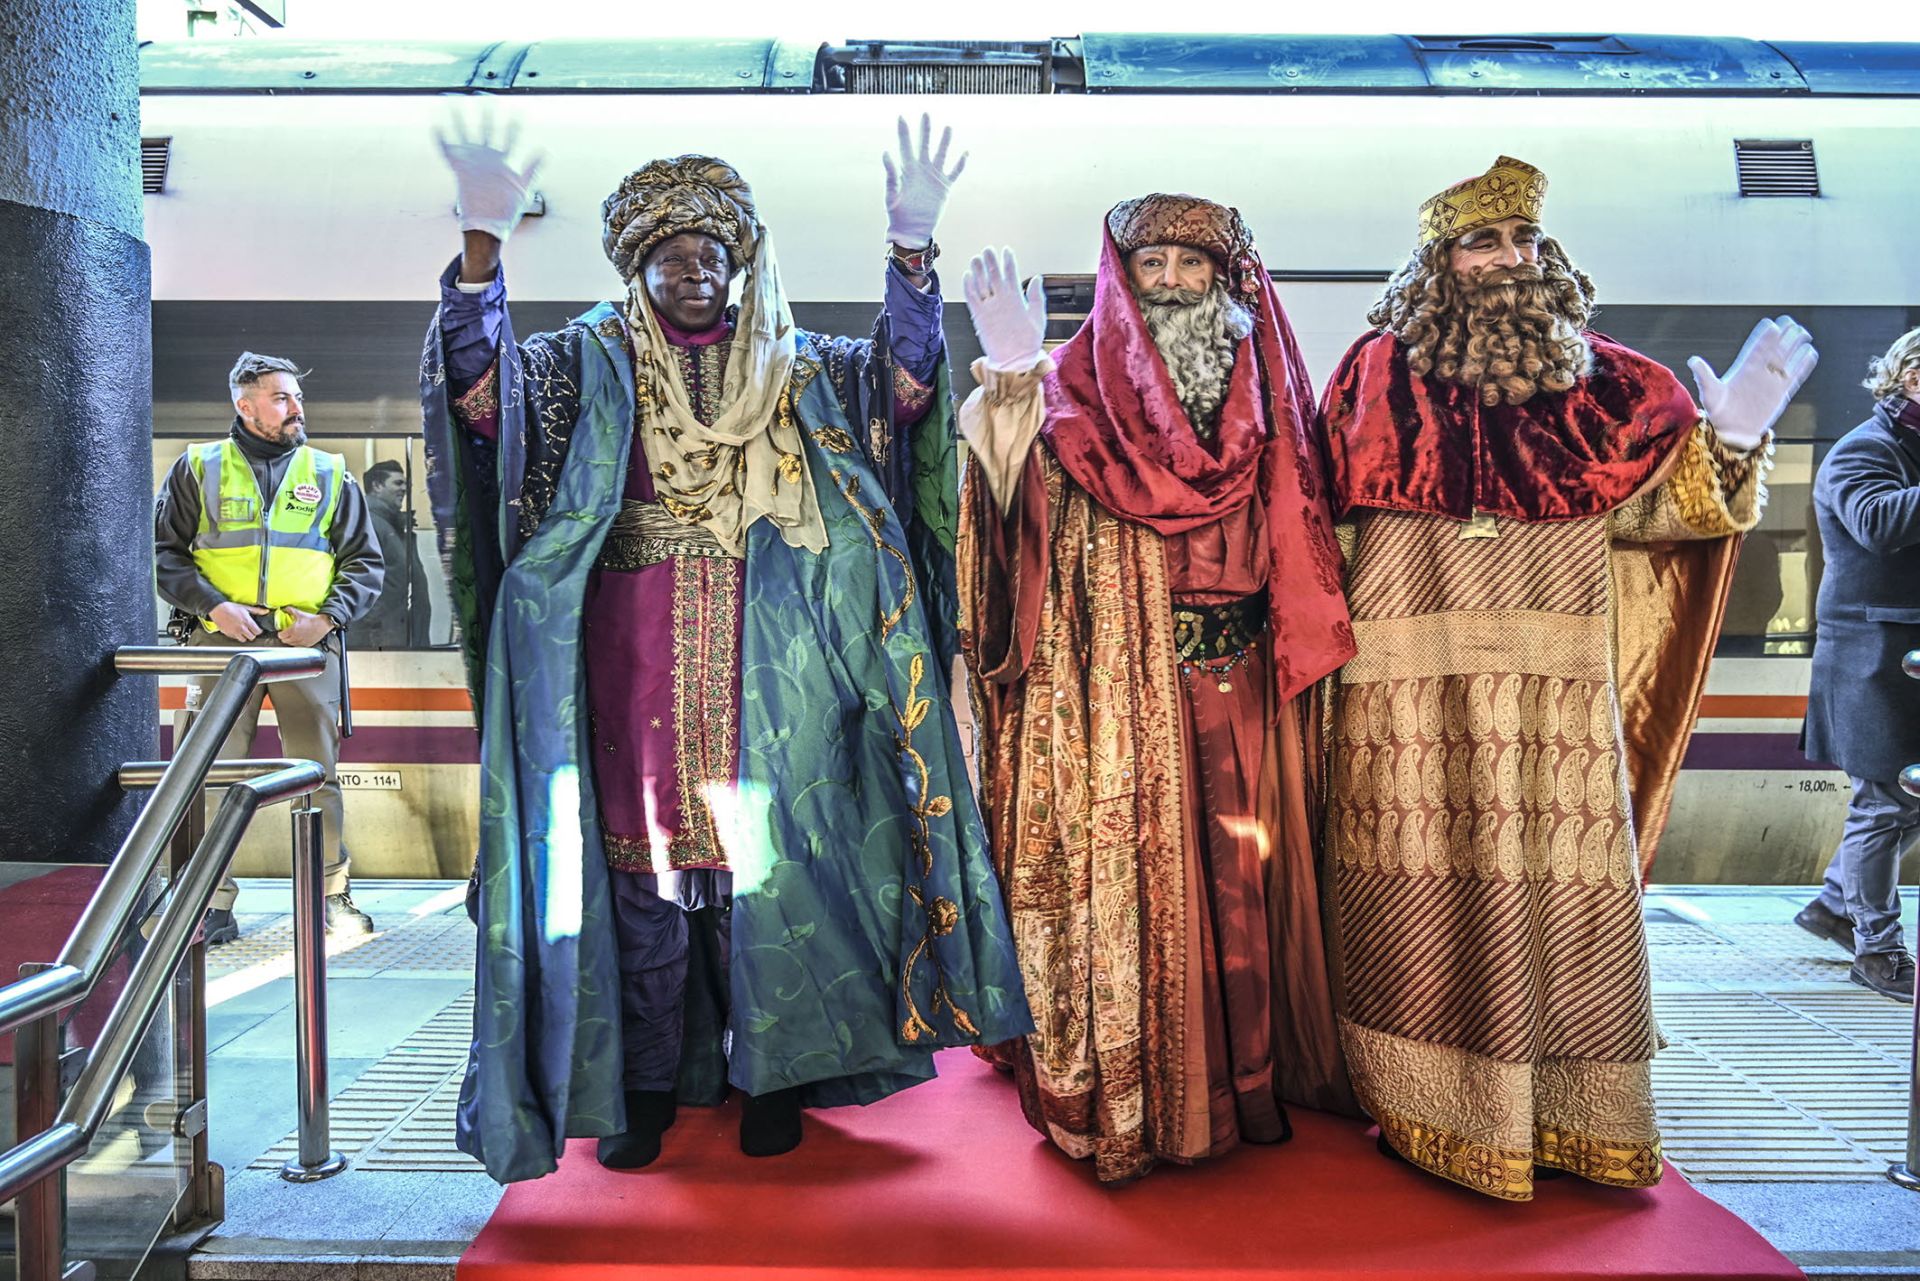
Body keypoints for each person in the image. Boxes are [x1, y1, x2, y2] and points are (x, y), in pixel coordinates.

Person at [422, 111, 1029, 1183]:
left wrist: (913, 256)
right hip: (625, 662)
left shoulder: (800, 368)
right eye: (670, 258)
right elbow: (485, 401)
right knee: (645, 874)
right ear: (638, 270)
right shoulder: (584, 361)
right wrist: (481, 257)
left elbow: (907, 390)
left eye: (712, 256)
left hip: (777, 666)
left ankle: (779, 1075)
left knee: (772, 868)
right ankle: (644, 1086)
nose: (694, 275)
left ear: (741, 266)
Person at [1317, 156, 1816, 1200]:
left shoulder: (1612, 390)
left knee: (1563, 908)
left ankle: (1570, 1117)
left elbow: (1653, 525)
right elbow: (1324, 544)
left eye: (1527, 242)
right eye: (1484, 242)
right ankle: (1426, 1107)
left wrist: (1731, 441)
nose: (1511, 261)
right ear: (1437, 264)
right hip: (1408, 702)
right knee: (1414, 895)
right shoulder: (1373, 375)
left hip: (1557, 705)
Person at [953, 197, 1356, 1183]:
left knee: (1242, 894)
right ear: (1120, 276)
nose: (1172, 279)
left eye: (1192, 263)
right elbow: (1003, 515)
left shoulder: (1263, 393)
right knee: (1129, 898)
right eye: (1154, 261)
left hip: (1243, 688)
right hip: (1111, 701)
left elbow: (1316, 528)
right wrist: (1010, 387)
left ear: (1225, 281)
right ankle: (1139, 1104)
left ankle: (1247, 1085)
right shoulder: (1067, 392)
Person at [155, 351, 385, 942]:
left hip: (305, 647)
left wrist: (327, 618)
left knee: (316, 775)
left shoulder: (330, 471)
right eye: (281, 398)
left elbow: (365, 563)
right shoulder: (197, 467)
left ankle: (330, 897)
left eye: (296, 398)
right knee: (208, 774)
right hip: (219, 642)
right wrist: (214, 607)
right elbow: (165, 555)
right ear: (244, 404)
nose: (296, 409)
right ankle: (207, 904)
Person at [1796, 328, 1920, 1002]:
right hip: (1872, 660)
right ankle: (1878, 950)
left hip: (1905, 658)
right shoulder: (1863, 450)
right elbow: (1877, 523)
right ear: (1913, 378)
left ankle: (1836, 904)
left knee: (1906, 798)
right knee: (1887, 800)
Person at [356, 460, 433, 648]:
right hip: (380, 636)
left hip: (393, 633)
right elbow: (359, 578)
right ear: (377, 486)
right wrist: (374, 625)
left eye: (406, 484)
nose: (404, 489)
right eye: (398, 483)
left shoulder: (392, 525)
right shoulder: (370, 523)